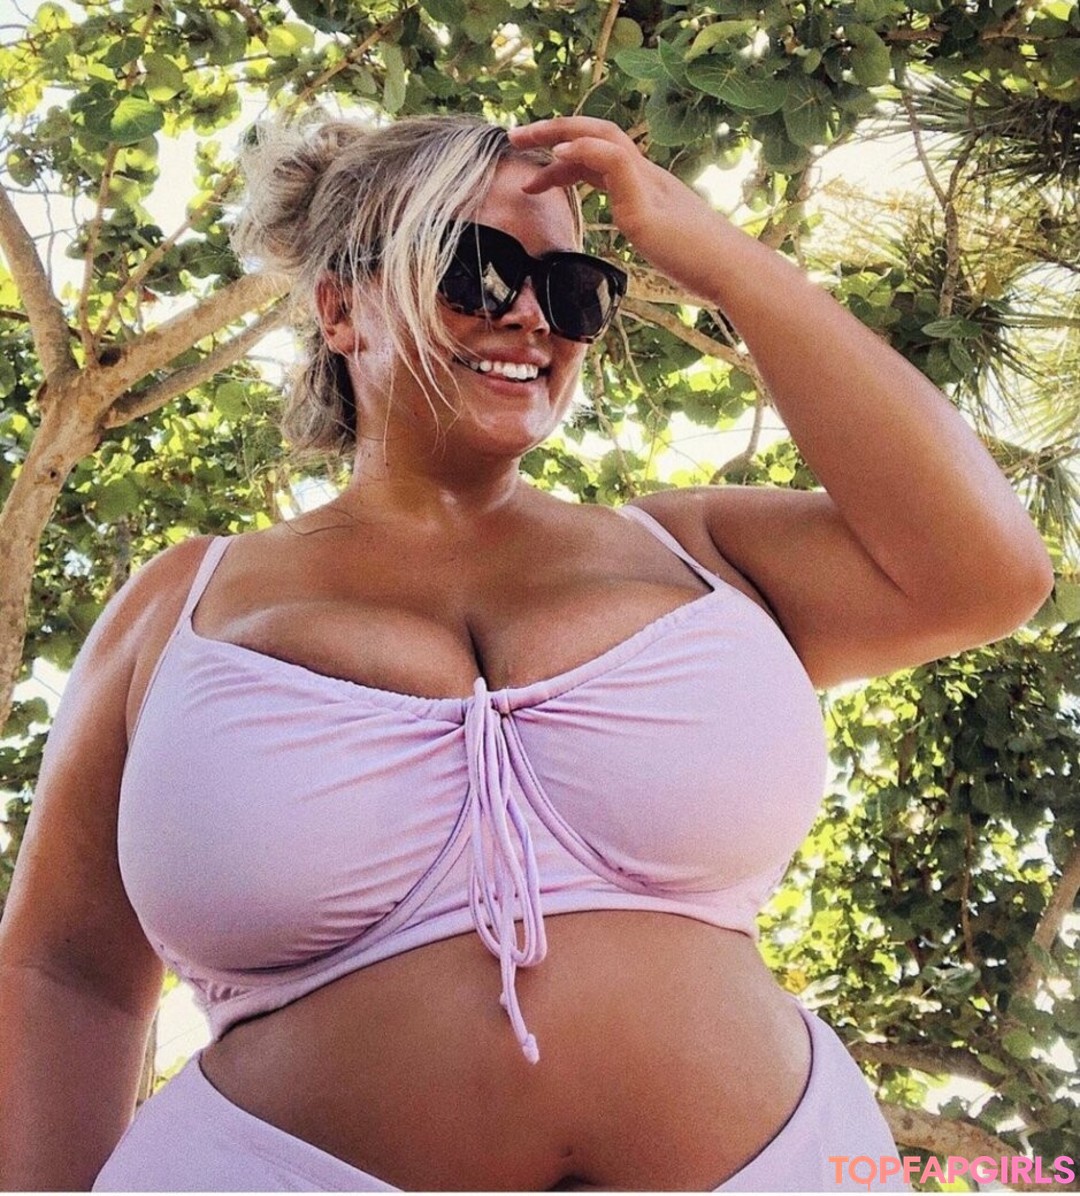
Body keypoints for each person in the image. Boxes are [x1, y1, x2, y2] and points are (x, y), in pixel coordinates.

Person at [0, 112, 1052, 1192]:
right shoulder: (180, 607)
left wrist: (724, 263)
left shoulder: (698, 552)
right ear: (340, 307)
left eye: (572, 288)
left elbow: (986, 575)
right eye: (474, 268)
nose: (527, 313)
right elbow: (64, 972)